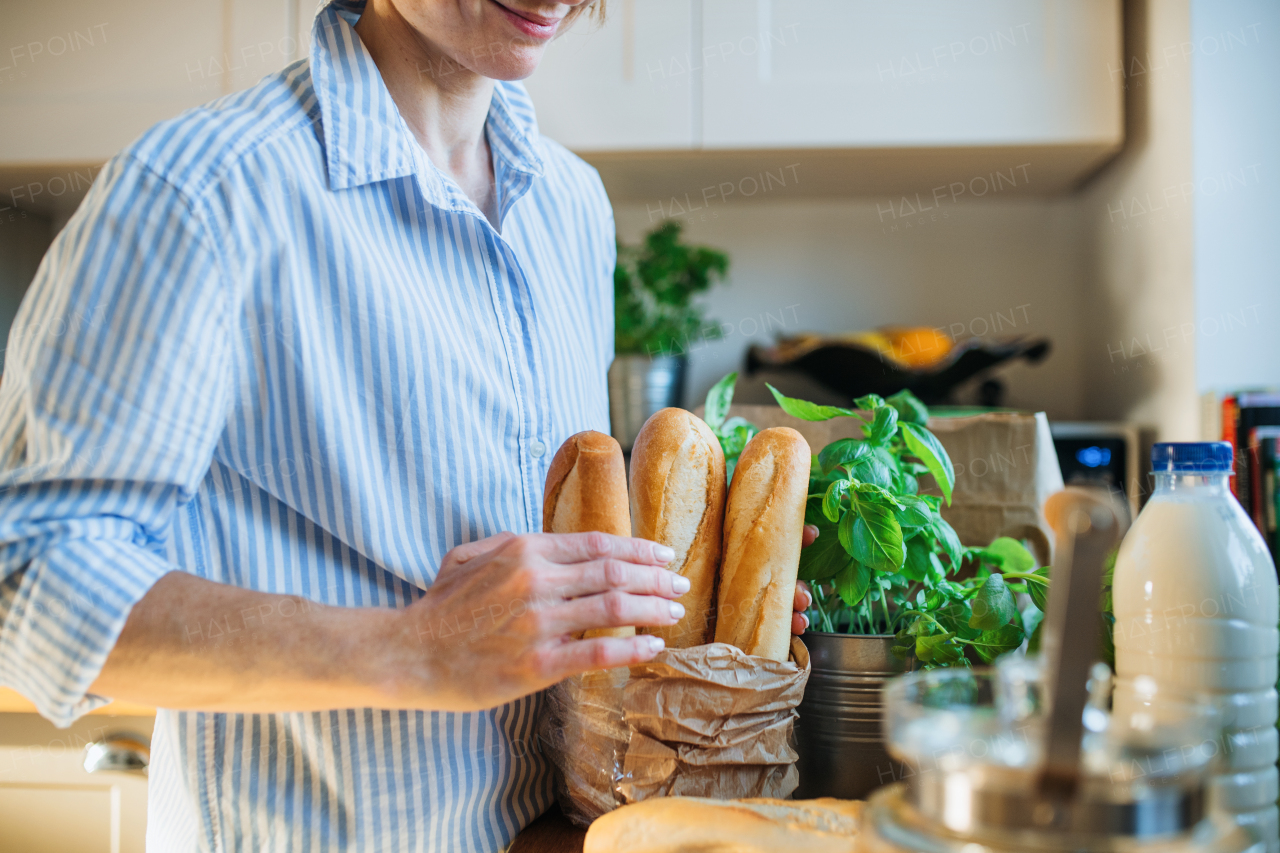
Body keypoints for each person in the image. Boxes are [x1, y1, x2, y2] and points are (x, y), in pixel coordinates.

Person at [0, 0, 815, 850]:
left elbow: (536, 581)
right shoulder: (204, 189)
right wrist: (408, 647)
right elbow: (26, 581)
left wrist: (672, 617)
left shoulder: (572, 204)